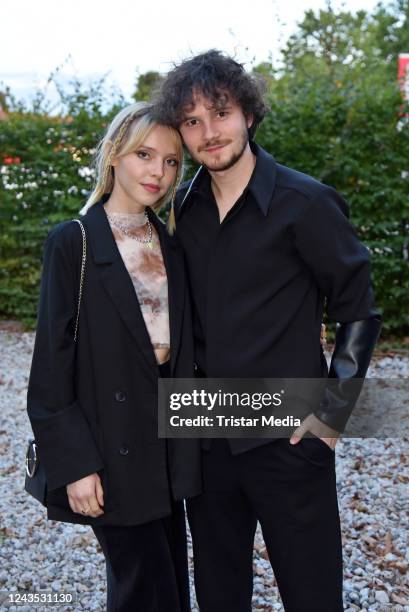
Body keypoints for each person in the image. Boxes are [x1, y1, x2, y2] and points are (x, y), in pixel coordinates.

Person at [153, 50, 382, 612]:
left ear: (249, 114)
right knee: (219, 591)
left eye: (221, 113)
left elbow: (358, 309)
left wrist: (332, 411)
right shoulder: (182, 211)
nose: (209, 132)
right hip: (206, 434)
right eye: (191, 120)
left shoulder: (307, 204)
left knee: (312, 592)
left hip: (290, 434)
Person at [26, 101, 201, 612]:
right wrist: (75, 464)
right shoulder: (73, 241)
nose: (158, 171)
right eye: (144, 154)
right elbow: (51, 365)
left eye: (171, 161)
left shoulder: (170, 241)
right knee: (142, 585)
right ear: (113, 156)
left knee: (166, 576)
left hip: (168, 440)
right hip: (111, 442)